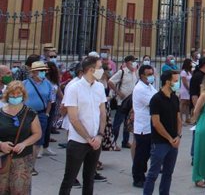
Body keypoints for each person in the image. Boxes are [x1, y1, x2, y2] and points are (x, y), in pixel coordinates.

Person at [58, 55, 107, 195]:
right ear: (91, 70)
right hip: (78, 141)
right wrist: (87, 138)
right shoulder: (74, 88)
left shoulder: (99, 87)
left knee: (89, 178)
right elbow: (73, 118)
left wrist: (99, 135)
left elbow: (102, 113)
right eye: (99, 67)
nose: (102, 70)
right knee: (69, 178)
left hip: (96, 140)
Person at [143, 70, 182, 195]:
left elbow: (178, 119)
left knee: (168, 173)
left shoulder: (175, 98)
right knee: (153, 174)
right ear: (167, 82)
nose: (178, 84)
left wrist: (178, 136)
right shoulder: (156, 99)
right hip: (160, 142)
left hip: (173, 142)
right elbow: (156, 123)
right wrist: (169, 138)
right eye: (176, 81)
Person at [0, 81, 42, 194]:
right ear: (7, 95)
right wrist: (1, 144)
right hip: (1, 158)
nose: (15, 96)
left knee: (20, 190)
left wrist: (24, 143)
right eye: (12, 94)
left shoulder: (30, 113)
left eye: (18, 94)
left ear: (23, 95)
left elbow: (37, 133)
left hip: (22, 160)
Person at [131, 63, 157, 188]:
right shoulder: (140, 88)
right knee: (141, 154)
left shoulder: (149, 86)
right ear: (142, 76)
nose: (151, 77)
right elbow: (154, 102)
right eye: (149, 74)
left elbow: (157, 96)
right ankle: (137, 177)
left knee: (146, 153)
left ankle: (142, 174)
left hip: (150, 125)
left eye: (152, 74)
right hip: (143, 126)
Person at [23, 61, 52, 164]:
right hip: (26, 114)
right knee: (25, 136)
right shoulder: (25, 83)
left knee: (38, 139)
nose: (43, 73)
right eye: (41, 71)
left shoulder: (48, 84)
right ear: (34, 72)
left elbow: (50, 100)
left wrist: (47, 113)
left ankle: (32, 164)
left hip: (41, 114)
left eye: (44, 71)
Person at [108, 55, 138, 151]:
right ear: (127, 62)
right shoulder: (122, 72)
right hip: (122, 102)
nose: (134, 63)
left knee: (127, 123)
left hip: (131, 101)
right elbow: (110, 82)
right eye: (132, 61)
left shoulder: (134, 72)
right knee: (117, 123)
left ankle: (125, 142)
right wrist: (118, 92)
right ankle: (113, 142)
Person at [179, 58, 193, 124]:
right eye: (190, 63)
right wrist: (189, 89)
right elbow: (184, 82)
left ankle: (187, 118)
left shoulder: (189, 72)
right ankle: (181, 119)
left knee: (188, 104)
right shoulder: (183, 72)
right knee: (183, 103)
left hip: (189, 88)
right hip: (185, 89)